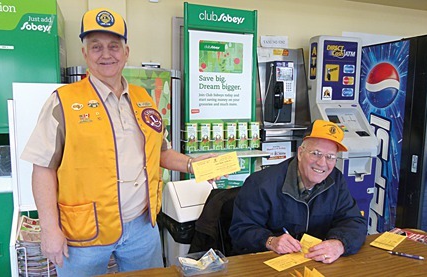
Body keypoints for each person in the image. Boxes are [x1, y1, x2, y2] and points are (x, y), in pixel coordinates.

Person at [21, 8, 214, 276]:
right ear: (85, 53)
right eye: (96, 47)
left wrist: (194, 164)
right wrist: (50, 229)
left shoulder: (143, 98)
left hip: (141, 226)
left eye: (114, 46)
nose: (106, 54)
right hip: (82, 232)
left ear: (126, 52)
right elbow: (43, 168)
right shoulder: (63, 101)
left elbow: (161, 152)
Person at [229, 119, 367, 264]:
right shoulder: (261, 184)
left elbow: (354, 222)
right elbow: (240, 231)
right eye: (316, 153)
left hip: (316, 265)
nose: (322, 163)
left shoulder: (336, 180)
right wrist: (270, 241)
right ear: (300, 153)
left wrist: (339, 244)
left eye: (330, 157)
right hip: (269, 266)